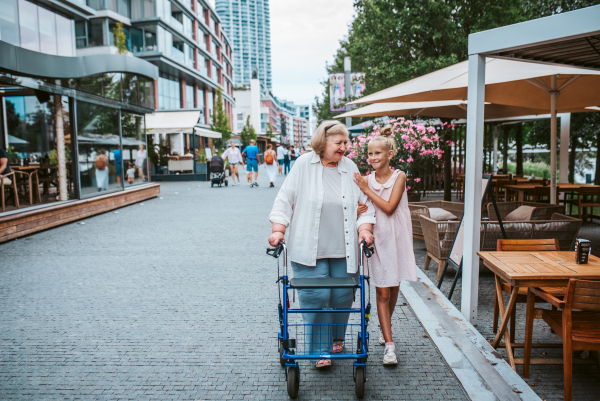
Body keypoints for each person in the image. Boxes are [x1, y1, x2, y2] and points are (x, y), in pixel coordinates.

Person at [268, 120, 375, 369]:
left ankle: (337, 339)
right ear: (322, 143)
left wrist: (365, 230)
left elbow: (365, 206)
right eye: (338, 143)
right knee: (316, 296)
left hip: (344, 249)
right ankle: (319, 350)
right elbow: (285, 199)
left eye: (345, 142)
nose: (344, 147)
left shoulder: (350, 168)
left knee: (342, 296)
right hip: (308, 249)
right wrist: (278, 230)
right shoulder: (304, 164)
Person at [352, 124, 417, 366]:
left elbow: (390, 207)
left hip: (397, 238)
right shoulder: (365, 180)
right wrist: (359, 206)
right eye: (369, 154)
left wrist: (367, 191)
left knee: (394, 287)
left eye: (377, 153)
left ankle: (384, 326)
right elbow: (362, 208)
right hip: (377, 239)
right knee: (382, 290)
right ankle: (390, 346)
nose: (372, 158)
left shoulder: (399, 176)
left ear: (390, 155)